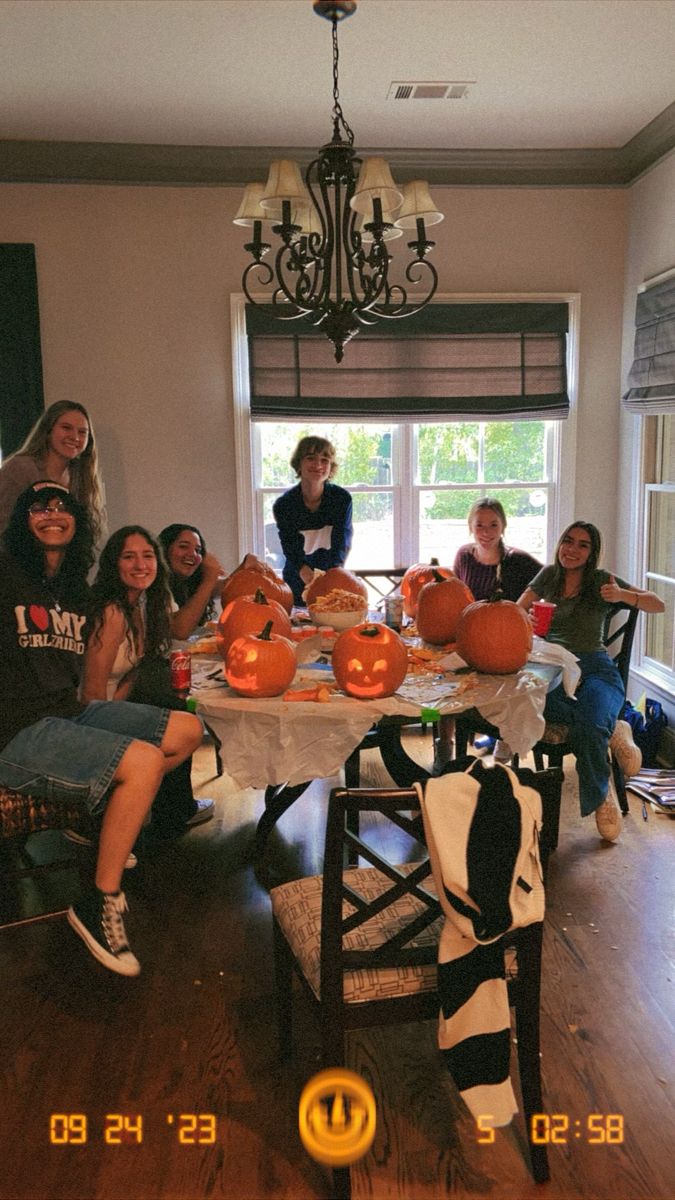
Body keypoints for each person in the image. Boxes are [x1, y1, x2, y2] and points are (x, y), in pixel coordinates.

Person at [0, 482, 203, 976]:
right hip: (17, 731)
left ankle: (104, 819)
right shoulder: (8, 575)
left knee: (186, 730)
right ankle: (99, 900)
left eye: (63, 507)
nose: (52, 514)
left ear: (78, 522)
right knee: (144, 760)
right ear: (22, 521)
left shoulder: (71, 588)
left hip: (67, 714)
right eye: (39, 508)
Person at [518, 521, 664, 842]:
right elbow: (515, 611)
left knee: (589, 718)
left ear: (592, 552)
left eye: (582, 545)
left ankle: (602, 797)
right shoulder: (547, 576)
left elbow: (658, 603)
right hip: (552, 665)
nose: (572, 549)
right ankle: (612, 727)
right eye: (568, 541)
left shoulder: (601, 581)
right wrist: (525, 619)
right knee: (544, 705)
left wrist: (624, 594)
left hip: (595, 667)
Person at [81, 526, 215, 837]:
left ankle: (131, 796)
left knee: (186, 726)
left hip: (114, 704)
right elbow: (91, 696)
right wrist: (123, 726)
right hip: (91, 716)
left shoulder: (142, 604)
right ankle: (107, 802)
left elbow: (133, 671)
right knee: (180, 726)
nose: (141, 565)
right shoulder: (111, 612)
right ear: (114, 564)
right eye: (129, 557)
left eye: (147, 556)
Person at [453, 498, 541, 760]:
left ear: (503, 526)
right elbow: (457, 598)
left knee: (509, 683)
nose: (486, 532)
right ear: (470, 526)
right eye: (479, 525)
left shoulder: (519, 561)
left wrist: (533, 615)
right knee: (444, 677)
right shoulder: (464, 557)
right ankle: (445, 744)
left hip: (509, 645)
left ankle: (506, 736)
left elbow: (549, 582)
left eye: (493, 524)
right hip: (472, 642)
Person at [0, 401, 106, 543]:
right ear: (48, 430)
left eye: (82, 432)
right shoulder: (21, 469)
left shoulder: (82, 477)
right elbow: (4, 527)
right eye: (66, 428)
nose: (75, 437)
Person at [273, 435, 353, 605]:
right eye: (310, 458)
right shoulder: (284, 505)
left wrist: (331, 576)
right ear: (299, 464)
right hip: (296, 577)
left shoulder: (341, 499)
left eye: (324, 460)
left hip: (331, 575)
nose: (318, 465)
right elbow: (290, 545)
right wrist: (304, 571)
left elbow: (342, 540)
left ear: (331, 467)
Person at [158, 523, 225, 640]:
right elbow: (179, 632)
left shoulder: (189, 583)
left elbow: (227, 586)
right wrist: (209, 579)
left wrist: (246, 567)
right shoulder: (153, 586)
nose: (193, 554)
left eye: (198, 550)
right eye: (183, 547)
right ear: (164, 549)